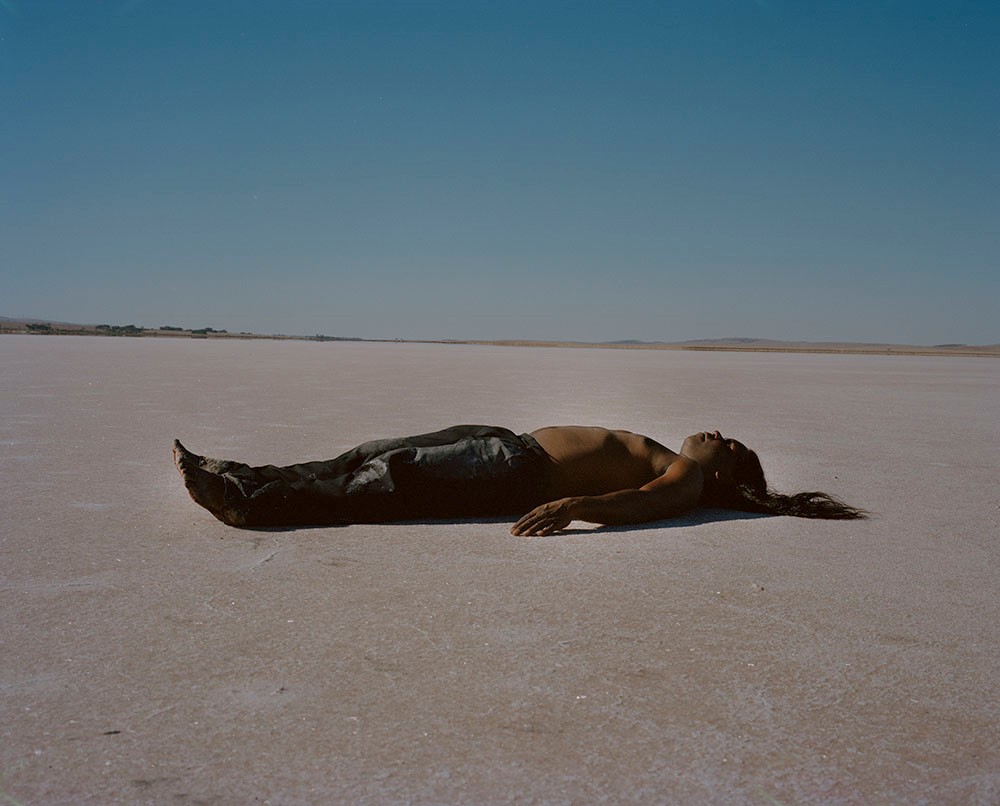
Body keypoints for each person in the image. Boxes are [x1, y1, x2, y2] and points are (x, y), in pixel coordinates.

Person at [173, 424, 866, 535]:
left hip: (513, 468)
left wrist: (578, 505)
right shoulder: (681, 459)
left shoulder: (684, 474)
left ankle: (247, 506)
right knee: (367, 458)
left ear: (727, 470)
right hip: (507, 445)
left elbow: (647, 503)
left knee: (385, 480)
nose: (716, 431)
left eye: (730, 443)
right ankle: (237, 476)